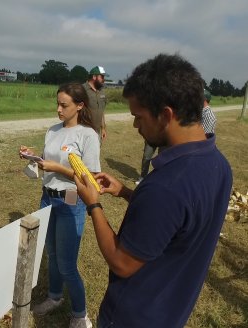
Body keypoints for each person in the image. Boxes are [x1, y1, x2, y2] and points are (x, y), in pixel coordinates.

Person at [73, 53, 232, 328]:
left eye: (139, 117)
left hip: (133, 316)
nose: (136, 126)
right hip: (171, 311)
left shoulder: (166, 186)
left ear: (166, 115)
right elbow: (177, 221)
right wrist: (124, 191)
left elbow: (121, 262)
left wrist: (93, 205)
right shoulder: (219, 165)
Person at [21, 82, 100, 328]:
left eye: (64, 105)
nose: (58, 109)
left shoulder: (87, 135)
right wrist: (34, 157)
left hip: (70, 199)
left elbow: (91, 178)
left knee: (67, 264)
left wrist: (59, 169)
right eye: (57, 104)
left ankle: (80, 314)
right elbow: (48, 160)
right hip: (47, 197)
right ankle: (55, 297)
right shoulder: (52, 130)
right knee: (52, 254)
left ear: (79, 105)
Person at [135, 87, 217, 185]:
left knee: (163, 158)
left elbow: (203, 135)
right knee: (147, 157)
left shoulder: (208, 115)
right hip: (159, 137)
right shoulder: (198, 112)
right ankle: (144, 177)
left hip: (195, 150)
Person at [84, 66, 108, 143]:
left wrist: (103, 128)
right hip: (84, 132)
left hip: (97, 132)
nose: (104, 80)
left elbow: (101, 111)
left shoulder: (101, 91)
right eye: (102, 77)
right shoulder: (82, 90)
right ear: (94, 77)